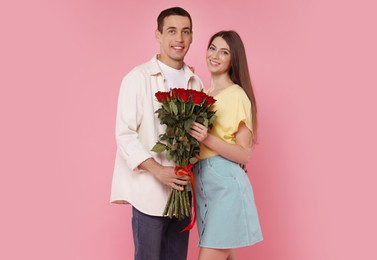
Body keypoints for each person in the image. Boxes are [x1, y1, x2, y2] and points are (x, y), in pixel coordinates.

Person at [110, 7, 203, 260]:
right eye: (171, 31)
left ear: (192, 37)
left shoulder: (196, 81)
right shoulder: (137, 78)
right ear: (158, 35)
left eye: (185, 32)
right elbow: (125, 134)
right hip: (148, 197)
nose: (179, 39)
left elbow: (198, 140)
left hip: (182, 195)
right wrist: (158, 170)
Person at [189, 30, 263, 260]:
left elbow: (244, 154)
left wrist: (207, 138)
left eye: (224, 52)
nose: (215, 55)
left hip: (226, 188)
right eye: (212, 48)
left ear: (233, 60)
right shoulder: (204, 93)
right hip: (204, 186)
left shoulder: (237, 95)